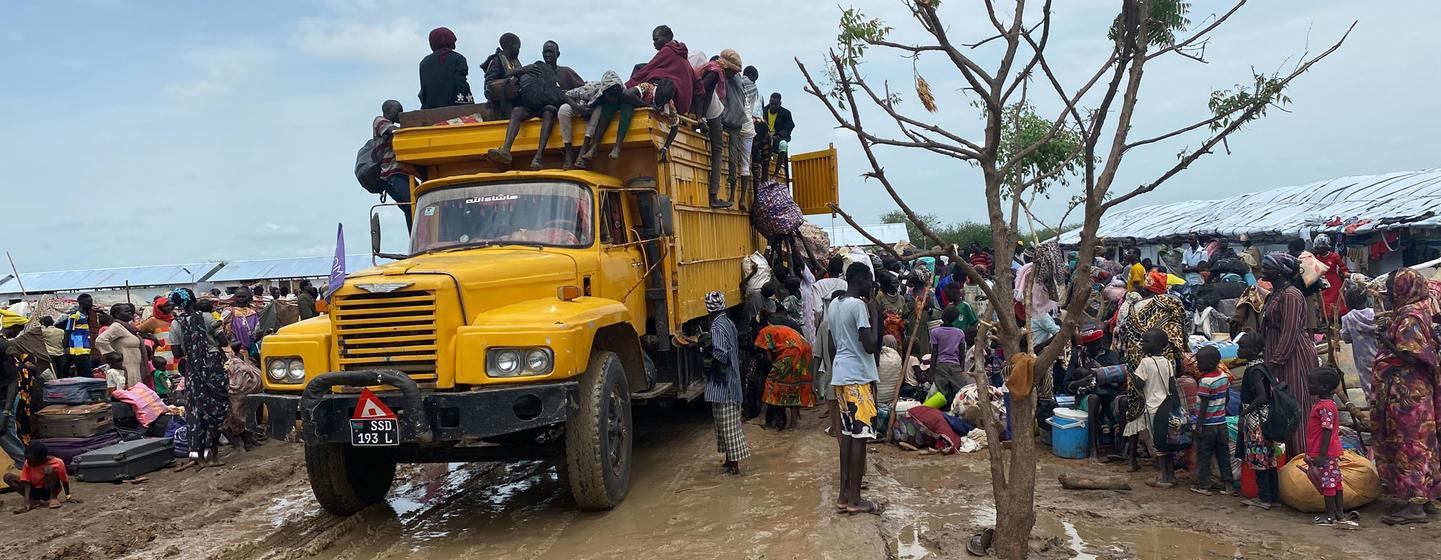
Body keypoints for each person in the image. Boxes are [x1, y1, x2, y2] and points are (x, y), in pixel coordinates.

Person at [1373, 267, 1440, 526]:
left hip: (1407, 395)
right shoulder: (1421, 310)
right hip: (1415, 391)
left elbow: (1411, 355)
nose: (1389, 293)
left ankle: (1414, 507)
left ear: (1403, 289)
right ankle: (1427, 498)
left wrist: (1385, 341)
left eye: (1391, 288)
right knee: (1423, 443)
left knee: (1408, 445)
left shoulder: (1410, 317)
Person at [827, 262, 883, 515]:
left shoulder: (835, 306)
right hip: (857, 378)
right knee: (860, 437)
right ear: (860, 280)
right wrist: (874, 313)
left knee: (849, 436)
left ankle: (844, 496)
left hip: (841, 374)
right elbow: (871, 345)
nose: (872, 285)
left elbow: (831, 345)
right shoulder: (859, 306)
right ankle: (855, 500)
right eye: (869, 280)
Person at [1258, 253, 1319, 451]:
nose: (1262, 269)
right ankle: (1286, 456)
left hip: (1294, 357)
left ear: (1280, 272)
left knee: (1296, 404)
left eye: (1267, 267)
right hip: (1278, 355)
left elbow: (1290, 331)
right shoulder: (1275, 293)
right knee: (1281, 405)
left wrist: (1276, 361)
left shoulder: (1291, 295)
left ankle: (1300, 457)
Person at [487, 40, 574, 170]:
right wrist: (522, 70)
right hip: (532, 106)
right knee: (517, 111)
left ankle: (539, 156)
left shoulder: (565, 72)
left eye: (551, 51)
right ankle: (505, 149)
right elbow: (507, 75)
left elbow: (581, 89)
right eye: (545, 52)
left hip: (550, 107)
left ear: (558, 54)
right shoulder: (536, 68)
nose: (548, 55)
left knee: (549, 111)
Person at [169, 288, 230, 468]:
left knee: (196, 411)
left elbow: (177, 352)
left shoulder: (176, 324)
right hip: (213, 368)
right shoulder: (207, 317)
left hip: (193, 370)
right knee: (216, 409)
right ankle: (211, 455)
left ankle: (197, 456)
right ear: (194, 300)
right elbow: (224, 342)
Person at [1302, 366, 1355, 526]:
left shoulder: (1325, 406)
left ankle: (1330, 515)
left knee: (1328, 483)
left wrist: (1322, 454)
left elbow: (1327, 430)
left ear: (1323, 387)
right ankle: (1339, 513)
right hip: (1327, 451)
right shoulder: (1326, 404)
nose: (1308, 385)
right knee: (1335, 481)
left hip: (1325, 452)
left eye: (1311, 383)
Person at [704, 292, 749, 475]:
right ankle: (730, 460)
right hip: (732, 380)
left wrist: (707, 350)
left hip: (724, 384)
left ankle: (734, 464)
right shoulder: (728, 323)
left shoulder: (716, 327)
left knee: (728, 425)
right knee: (726, 423)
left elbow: (721, 354)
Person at [1235, 334, 1282, 509]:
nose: (1239, 350)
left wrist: (1244, 413)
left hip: (1256, 420)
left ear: (1254, 350)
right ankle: (1274, 497)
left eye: (1242, 347)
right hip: (1266, 418)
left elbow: (1262, 396)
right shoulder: (1263, 367)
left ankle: (1263, 498)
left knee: (1258, 459)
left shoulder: (1253, 371)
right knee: (1269, 460)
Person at [1124, 329, 1176, 486]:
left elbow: (1140, 384)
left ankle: (1162, 477)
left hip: (1152, 408)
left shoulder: (1145, 362)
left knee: (1158, 443)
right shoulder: (1167, 362)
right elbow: (1172, 386)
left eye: (1146, 341)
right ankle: (1171, 475)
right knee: (1167, 442)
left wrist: (1132, 374)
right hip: (1166, 406)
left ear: (1157, 345)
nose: (1142, 344)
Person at [693, 50, 742, 208]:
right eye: (734, 72)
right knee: (718, 150)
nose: (734, 76)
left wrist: (702, 117)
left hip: (705, 109)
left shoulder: (711, 68)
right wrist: (701, 118)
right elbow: (701, 92)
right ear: (727, 67)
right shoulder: (715, 73)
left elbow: (705, 94)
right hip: (709, 110)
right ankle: (713, 196)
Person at [754, 313, 815, 430]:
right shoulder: (778, 327)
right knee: (794, 386)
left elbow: (769, 358)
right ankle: (794, 423)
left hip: (792, 351)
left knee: (770, 382)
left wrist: (774, 367)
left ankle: (761, 417)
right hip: (805, 348)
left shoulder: (764, 332)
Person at [1191, 346, 1234, 496]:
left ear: (1209, 363)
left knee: (1204, 455)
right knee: (1223, 454)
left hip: (1207, 425)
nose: (1197, 365)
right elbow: (1227, 397)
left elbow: (1203, 405)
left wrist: (1198, 424)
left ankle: (1204, 485)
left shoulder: (1205, 381)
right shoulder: (1223, 376)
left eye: (1200, 362)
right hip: (1221, 423)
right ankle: (1229, 485)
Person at [627, 26, 697, 115]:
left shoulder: (667, 50)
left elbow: (647, 69)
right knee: (640, 67)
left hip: (671, 96)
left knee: (639, 68)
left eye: (656, 39)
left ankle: (635, 96)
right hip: (683, 102)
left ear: (666, 38)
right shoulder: (682, 54)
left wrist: (627, 86)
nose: (654, 43)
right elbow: (697, 81)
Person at [373, 100, 414, 230]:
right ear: (388, 111)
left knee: (421, 204)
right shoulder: (379, 121)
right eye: (399, 110)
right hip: (391, 175)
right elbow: (395, 132)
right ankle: (416, 241)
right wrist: (411, 124)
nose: (401, 113)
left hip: (404, 175)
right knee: (411, 205)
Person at [4, 442, 71, 512]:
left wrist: (68, 496)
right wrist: (27, 501)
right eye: (27, 460)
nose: (29, 462)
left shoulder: (57, 463)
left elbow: (64, 480)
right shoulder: (28, 463)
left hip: (47, 490)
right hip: (35, 489)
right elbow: (27, 482)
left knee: (48, 469)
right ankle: (34, 501)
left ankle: (53, 498)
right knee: (8, 477)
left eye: (31, 461)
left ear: (42, 458)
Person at [418, 27, 472, 109]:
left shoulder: (424, 63)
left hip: (431, 109)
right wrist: (470, 103)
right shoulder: (458, 58)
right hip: (456, 107)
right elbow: (461, 83)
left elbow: (424, 89)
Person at [95, 303, 147, 389]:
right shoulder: (116, 327)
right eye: (126, 311)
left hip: (133, 366)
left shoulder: (127, 327)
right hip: (126, 365)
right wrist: (111, 354)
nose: (130, 313)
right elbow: (100, 340)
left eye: (130, 311)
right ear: (117, 314)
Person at [1339, 285, 1377, 401]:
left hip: (1363, 359)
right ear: (1365, 299)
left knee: (1368, 385)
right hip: (1380, 354)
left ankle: (1372, 409)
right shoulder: (1374, 313)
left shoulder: (1347, 318)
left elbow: (1346, 338)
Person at [929, 306, 970, 402]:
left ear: (943, 316)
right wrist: (962, 369)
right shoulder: (960, 333)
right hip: (955, 366)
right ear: (955, 318)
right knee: (961, 391)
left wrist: (931, 372)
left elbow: (934, 353)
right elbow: (962, 354)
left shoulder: (935, 332)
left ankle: (937, 411)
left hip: (940, 366)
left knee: (940, 392)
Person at [481, 33, 524, 119]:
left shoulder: (514, 62)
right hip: (502, 107)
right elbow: (488, 85)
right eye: (518, 47)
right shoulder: (496, 60)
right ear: (510, 44)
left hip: (517, 102)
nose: (518, 51)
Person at [138, 297, 177, 390]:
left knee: (176, 379)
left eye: (169, 306)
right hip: (162, 355)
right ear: (158, 308)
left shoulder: (174, 319)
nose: (168, 308)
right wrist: (152, 338)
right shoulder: (153, 321)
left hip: (175, 353)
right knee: (163, 379)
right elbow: (137, 331)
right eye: (165, 307)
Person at [59, 294, 100, 377]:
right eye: (88, 302)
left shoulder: (86, 315)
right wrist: (65, 347)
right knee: (86, 372)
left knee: (81, 372)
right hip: (78, 348)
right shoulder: (75, 315)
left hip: (85, 346)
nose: (90, 304)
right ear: (81, 302)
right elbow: (68, 331)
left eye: (91, 302)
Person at [1312, 234, 1349, 321]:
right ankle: (1326, 321)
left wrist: (1346, 276)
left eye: (1320, 248)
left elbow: (1343, 268)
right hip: (1322, 283)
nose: (1318, 251)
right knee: (1324, 303)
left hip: (1335, 284)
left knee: (1338, 303)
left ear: (1326, 247)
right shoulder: (1316, 258)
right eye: (1317, 248)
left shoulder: (1334, 256)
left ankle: (1339, 320)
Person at [763, 93, 794, 180]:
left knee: (783, 145)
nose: (773, 106)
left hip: (779, 138)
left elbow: (789, 127)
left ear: (780, 104)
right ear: (769, 101)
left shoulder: (786, 113)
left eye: (775, 104)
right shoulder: (763, 111)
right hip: (765, 137)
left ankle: (776, 173)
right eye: (771, 103)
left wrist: (778, 135)